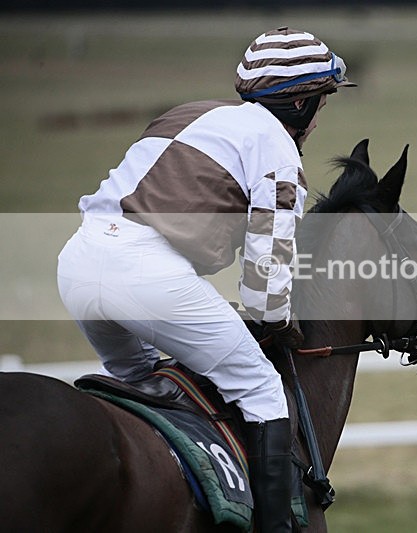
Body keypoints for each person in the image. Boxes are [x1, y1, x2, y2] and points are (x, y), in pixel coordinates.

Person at [57, 27, 354, 532]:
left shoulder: (191, 112)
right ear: (302, 102)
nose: (320, 116)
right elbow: (267, 262)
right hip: (145, 274)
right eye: (321, 102)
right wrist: (275, 320)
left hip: (79, 262)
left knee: (143, 381)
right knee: (261, 388)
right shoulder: (277, 147)